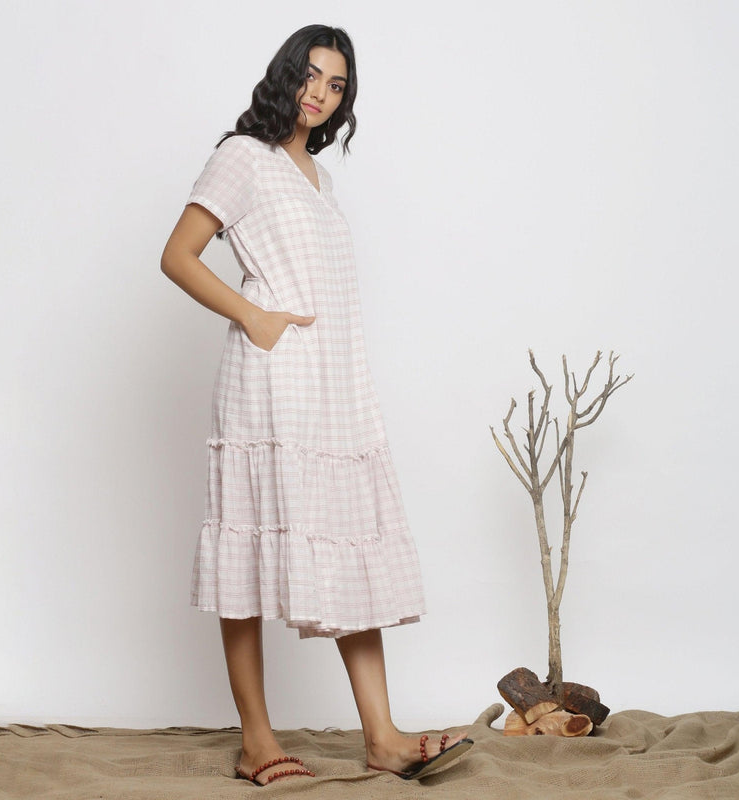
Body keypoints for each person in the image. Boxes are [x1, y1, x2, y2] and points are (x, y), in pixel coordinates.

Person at [161, 24, 472, 787]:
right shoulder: (244, 157)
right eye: (311, 75)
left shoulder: (316, 177)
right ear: (286, 75)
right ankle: (256, 740)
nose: (321, 93)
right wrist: (254, 316)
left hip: (331, 390)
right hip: (268, 382)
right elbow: (177, 255)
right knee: (248, 548)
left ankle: (383, 737)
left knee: (349, 545)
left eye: (336, 85)